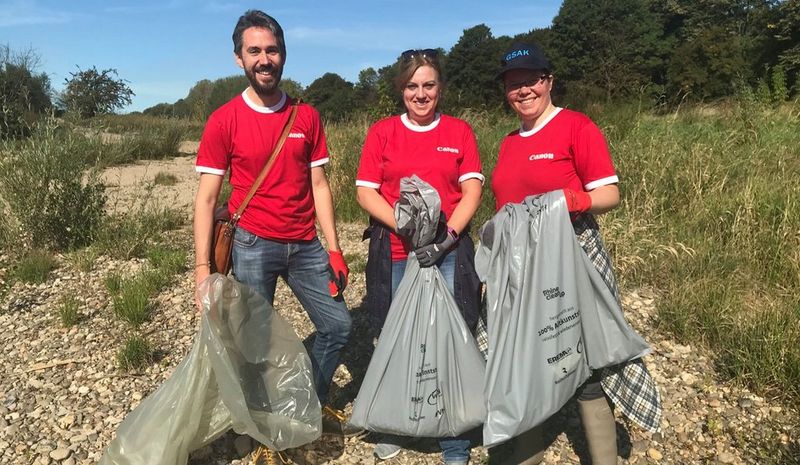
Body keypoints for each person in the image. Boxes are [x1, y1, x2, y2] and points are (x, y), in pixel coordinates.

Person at [192, 9, 361, 463]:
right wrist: (203, 270)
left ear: (283, 55)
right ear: (238, 59)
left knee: (338, 326)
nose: (264, 59)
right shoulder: (224, 120)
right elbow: (207, 200)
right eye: (255, 51)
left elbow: (320, 185)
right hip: (251, 245)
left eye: (271, 50)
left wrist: (336, 247)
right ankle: (266, 427)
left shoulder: (306, 116)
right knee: (256, 344)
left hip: (305, 244)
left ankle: (306, 401)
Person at [488, 42, 662, 465]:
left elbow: (609, 193)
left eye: (530, 80)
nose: (522, 91)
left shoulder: (576, 127)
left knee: (584, 360)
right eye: (513, 84)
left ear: (548, 81)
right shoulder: (510, 141)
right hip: (521, 263)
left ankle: (603, 458)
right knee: (522, 357)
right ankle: (525, 451)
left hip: (571, 258)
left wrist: (569, 200)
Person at [355, 48, 484, 465]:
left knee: (449, 336)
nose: (421, 93)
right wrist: (401, 223)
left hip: (446, 252)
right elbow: (365, 191)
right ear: (401, 90)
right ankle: (395, 424)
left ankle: (454, 435)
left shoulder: (459, 132)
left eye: (429, 84)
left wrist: (446, 237)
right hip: (395, 251)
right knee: (395, 336)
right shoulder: (383, 133)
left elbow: (472, 192)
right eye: (412, 86)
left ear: (440, 88)